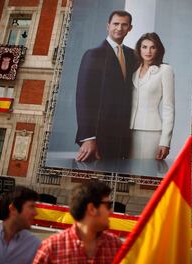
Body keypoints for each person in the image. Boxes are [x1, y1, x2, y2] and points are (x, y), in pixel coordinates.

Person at [75, 10, 136, 162]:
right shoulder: (93, 54)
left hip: (124, 137)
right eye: (115, 24)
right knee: (96, 183)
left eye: (124, 25)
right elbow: (83, 98)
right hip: (99, 136)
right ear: (107, 26)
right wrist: (88, 137)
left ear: (130, 28)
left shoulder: (133, 56)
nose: (119, 28)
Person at [33, 180, 121, 263]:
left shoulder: (115, 245)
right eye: (108, 205)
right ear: (91, 209)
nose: (111, 212)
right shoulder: (51, 248)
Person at [129, 32, 175, 160]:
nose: (148, 51)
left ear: (158, 49)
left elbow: (168, 107)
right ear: (139, 49)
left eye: (152, 47)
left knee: (143, 174)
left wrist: (165, 141)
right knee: (126, 175)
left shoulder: (165, 70)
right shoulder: (133, 70)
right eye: (144, 47)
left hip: (150, 131)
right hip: (127, 130)